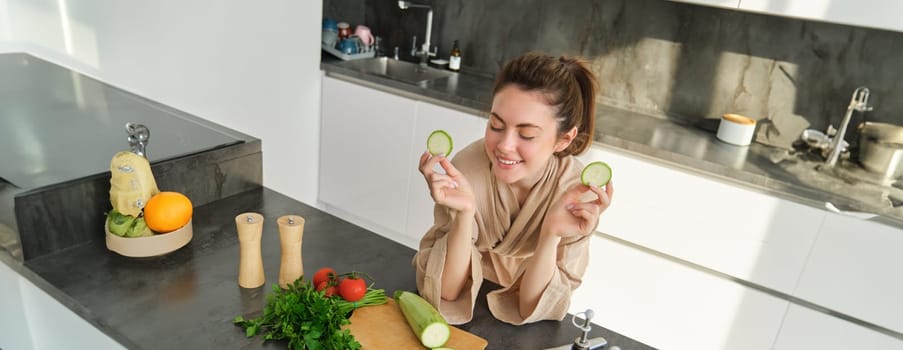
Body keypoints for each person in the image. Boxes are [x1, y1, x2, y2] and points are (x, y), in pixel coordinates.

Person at [413, 52, 614, 325]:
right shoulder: (467, 169)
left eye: (526, 134)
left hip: (525, 313)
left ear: (564, 140)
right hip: (467, 300)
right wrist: (464, 216)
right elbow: (446, 291)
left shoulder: (576, 192)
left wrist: (550, 234)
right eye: (496, 125)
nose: (504, 146)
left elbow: (532, 306)